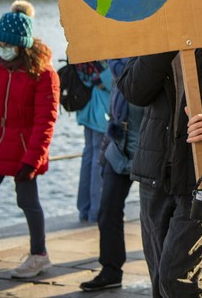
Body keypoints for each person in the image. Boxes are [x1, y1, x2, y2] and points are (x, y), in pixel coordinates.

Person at [117, 43, 202, 296]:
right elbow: (134, 91)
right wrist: (164, 42)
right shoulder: (154, 27)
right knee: (160, 280)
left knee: (177, 278)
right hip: (156, 170)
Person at [0, 5, 59, 278]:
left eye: (7, 44)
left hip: (24, 144)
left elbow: (45, 122)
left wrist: (32, 160)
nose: (2, 48)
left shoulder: (43, 75)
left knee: (27, 201)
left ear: (22, 46)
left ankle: (39, 255)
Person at [80, 57, 143, 291]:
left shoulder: (154, 59)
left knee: (161, 215)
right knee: (107, 211)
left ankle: (201, 252)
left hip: (150, 147)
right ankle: (111, 270)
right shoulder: (117, 63)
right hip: (119, 145)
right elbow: (114, 110)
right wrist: (106, 146)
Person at [75, 61, 111, 223]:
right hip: (101, 110)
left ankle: (84, 209)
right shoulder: (101, 51)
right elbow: (112, 81)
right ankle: (96, 212)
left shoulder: (81, 48)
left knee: (88, 156)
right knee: (99, 159)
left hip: (85, 107)